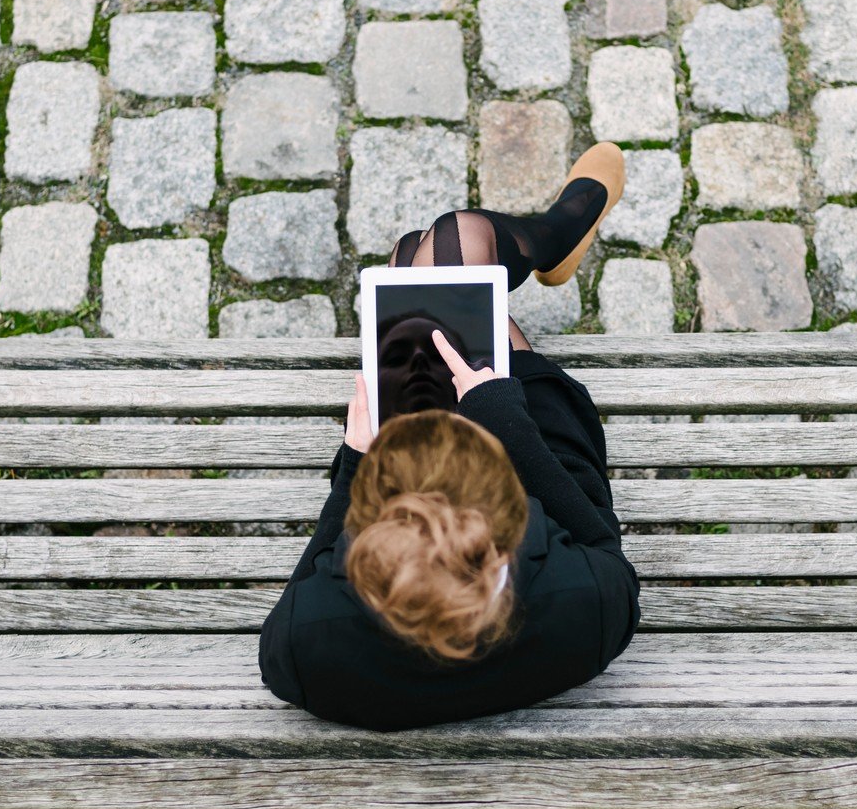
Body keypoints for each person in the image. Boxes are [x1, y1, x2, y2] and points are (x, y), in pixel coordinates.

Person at [258, 143, 640, 731]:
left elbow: (300, 595)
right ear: (512, 513)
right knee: (447, 244)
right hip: (545, 454)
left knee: (415, 265)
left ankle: (549, 239)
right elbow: (600, 542)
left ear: (370, 569)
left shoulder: (308, 652)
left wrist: (356, 467)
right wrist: (505, 421)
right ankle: (552, 238)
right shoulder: (588, 604)